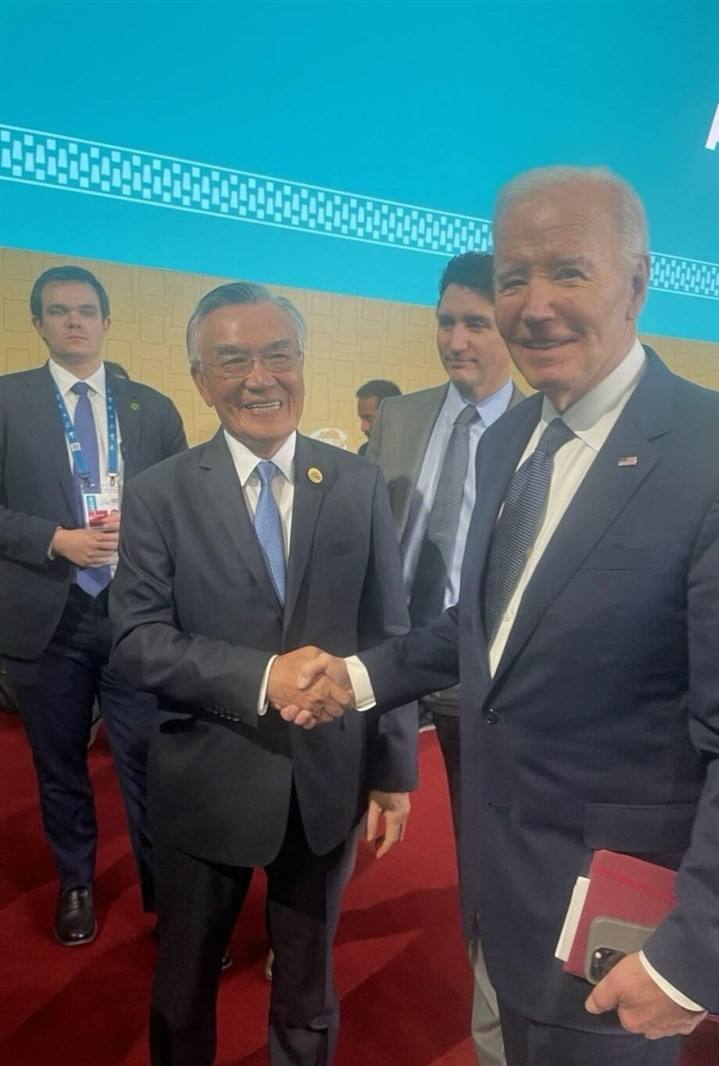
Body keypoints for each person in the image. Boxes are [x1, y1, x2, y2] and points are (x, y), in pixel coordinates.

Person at [282, 166, 719, 1066]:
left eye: (569, 271)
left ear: (637, 282)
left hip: (624, 928)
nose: (535, 305)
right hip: (496, 882)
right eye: (514, 277)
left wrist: (693, 956)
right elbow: (486, 628)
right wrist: (360, 676)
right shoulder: (515, 439)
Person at [108, 281, 417, 1066]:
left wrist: (393, 769)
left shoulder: (355, 484)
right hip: (205, 780)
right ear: (201, 379)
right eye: (233, 360)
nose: (260, 378)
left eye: (278, 355)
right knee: (182, 990)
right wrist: (261, 678)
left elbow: (389, 633)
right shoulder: (159, 494)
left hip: (324, 782)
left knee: (308, 991)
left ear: (302, 364)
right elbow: (138, 641)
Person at [0, 264, 187, 946]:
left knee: (147, 759)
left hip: (134, 613)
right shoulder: (6, 401)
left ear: (108, 322)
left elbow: (182, 510)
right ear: (39, 324)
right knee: (59, 763)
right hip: (46, 614)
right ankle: (76, 883)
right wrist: (55, 540)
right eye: (58, 311)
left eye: (85, 310)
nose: (73, 321)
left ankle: (167, 895)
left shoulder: (152, 408)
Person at [366, 250, 522, 1064]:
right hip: (389, 659)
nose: (456, 340)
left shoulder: (540, 433)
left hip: (478, 677)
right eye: (445, 321)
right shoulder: (399, 417)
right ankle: (302, 936)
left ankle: (489, 993)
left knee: (482, 845)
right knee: (333, 812)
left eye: (476, 324)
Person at [355, 378, 401, 455]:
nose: (363, 428)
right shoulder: (365, 451)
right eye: (362, 419)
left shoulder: (417, 452)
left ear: (392, 415)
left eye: (369, 419)